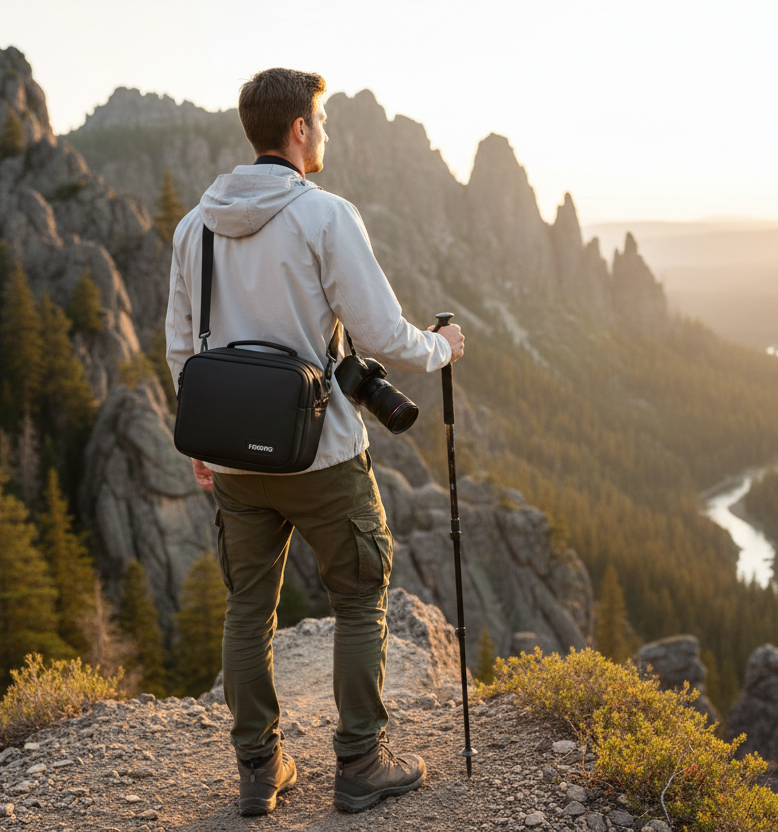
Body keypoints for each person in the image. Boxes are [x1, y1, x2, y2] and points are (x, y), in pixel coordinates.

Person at [164, 68, 465, 817]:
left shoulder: (194, 226)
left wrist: (202, 440)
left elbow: (181, 348)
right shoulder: (325, 216)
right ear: (298, 129)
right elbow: (382, 333)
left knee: (247, 609)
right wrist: (443, 348)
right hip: (323, 453)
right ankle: (361, 762)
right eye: (321, 121)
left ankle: (258, 771)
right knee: (360, 597)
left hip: (234, 458)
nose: (325, 132)